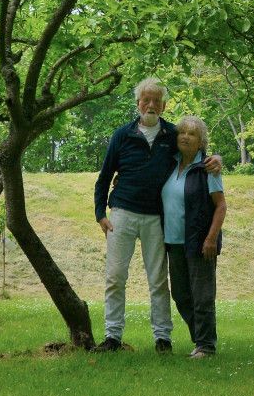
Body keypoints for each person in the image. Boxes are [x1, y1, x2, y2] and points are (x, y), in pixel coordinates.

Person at [91, 78, 219, 353]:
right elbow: (104, 178)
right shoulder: (121, 136)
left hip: (155, 218)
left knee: (158, 280)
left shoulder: (172, 135)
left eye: (156, 100)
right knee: (115, 276)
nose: (150, 105)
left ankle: (163, 338)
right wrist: (100, 213)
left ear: (163, 105)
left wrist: (216, 159)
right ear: (138, 104)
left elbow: (196, 153)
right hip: (122, 213)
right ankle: (113, 336)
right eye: (145, 100)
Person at [163, 116, 225, 358]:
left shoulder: (208, 167)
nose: (185, 137)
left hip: (200, 241)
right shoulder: (170, 164)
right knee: (180, 295)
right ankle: (199, 340)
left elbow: (220, 206)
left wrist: (211, 238)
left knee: (202, 296)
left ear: (201, 142)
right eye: (182, 132)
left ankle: (206, 346)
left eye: (192, 134)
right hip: (173, 242)